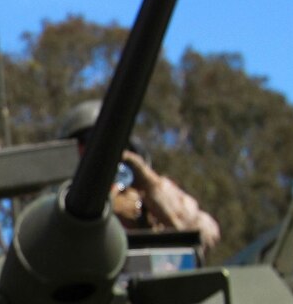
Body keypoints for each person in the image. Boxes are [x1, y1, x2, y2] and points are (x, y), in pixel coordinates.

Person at [60, 100, 221, 252]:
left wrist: (151, 184)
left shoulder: (146, 200)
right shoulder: (58, 202)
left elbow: (205, 235)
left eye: (109, 139)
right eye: (86, 141)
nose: (97, 149)